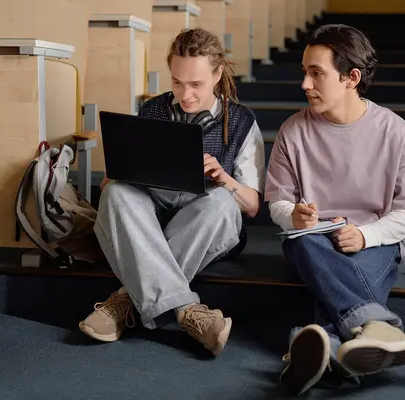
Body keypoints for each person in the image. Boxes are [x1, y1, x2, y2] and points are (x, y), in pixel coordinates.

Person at [264, 24, 405, 394]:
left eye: (316, 74)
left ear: (351, 77)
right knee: (300, 241)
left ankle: (315, 347)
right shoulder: (292, 131)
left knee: (351, 264)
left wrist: (365, 235)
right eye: (304, 73)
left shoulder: (395, 131)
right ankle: (377, 326)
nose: (304, 85)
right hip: (313, 239)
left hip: (376, 241)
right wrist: (292, 215)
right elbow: (277, 201)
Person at [79, 28, 266, 357]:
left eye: (196, 84)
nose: (186, 94)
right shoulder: (152, 110)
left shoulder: (242, 121)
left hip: (207, 222)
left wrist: (225, 179)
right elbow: (119, 183)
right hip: (156, 217)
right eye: (177, 82)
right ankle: (187, 312)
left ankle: (125, 299)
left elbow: (251, 207)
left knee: (222, 202)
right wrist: (117, 174)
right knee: (117, 194)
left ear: (217, 74)